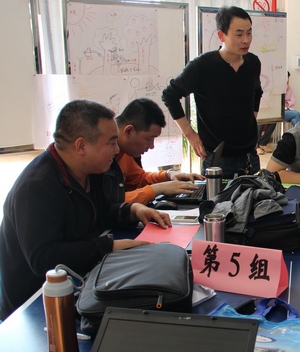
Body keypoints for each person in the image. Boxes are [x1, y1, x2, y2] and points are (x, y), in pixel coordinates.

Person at [0, 100, 171, 320]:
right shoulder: (36, 187)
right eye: (111, 143)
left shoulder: (91, 170)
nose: (117, 150)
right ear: (81, 146)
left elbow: (99, 214)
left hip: (80, 280)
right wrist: (108, 246)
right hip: (36, 304)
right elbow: (44, 259)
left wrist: (132, 210)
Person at [162, 6, 263, 179]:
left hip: (249, 155)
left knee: (254, 195)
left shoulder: (253, 63)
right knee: (217, 197)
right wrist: (190, 135)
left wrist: (251, 122)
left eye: (249, 33)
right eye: (239, 34)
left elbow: (257, 92)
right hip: (218, 158)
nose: (246, 40)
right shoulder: (202, 66)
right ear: (221, 35)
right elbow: (170, 95)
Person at [104, 98, 205, 205]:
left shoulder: (125, 152)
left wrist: (168, 175)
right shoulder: (101, 154)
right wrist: (158, 189)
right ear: (129, 131)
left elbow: (138, 179)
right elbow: (107, 203)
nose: (152, 146)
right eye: (149, 139)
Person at [257, 71, 300, 155]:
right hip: (272, 110)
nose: (287, 80)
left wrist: (287, 102)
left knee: (295, 116)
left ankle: (299, 139)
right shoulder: (273, 87)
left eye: (288, 79)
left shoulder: (289, 89)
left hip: (286, 111)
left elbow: (293, 101)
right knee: (293, 116)